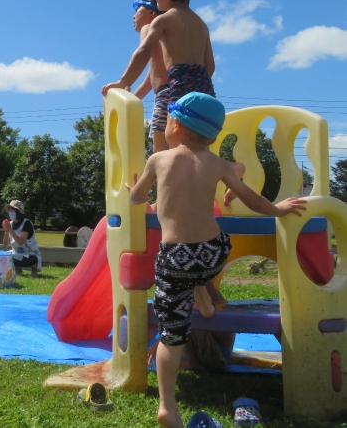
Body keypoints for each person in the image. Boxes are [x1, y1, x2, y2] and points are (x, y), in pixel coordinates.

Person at [125, 92, 307, 428]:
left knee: (172, 334)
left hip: (175, 258)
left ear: (176, 126)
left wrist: (131, 188)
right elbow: (250, 198)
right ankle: (204, 301)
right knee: (203, 262)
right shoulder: (219, 165)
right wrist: (276, 209)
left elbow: (137, 199)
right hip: (211, 254)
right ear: (211, 136)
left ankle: (167, 405)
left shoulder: (159, 160)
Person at [102, 0, 216, 133]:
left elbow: (144, 52)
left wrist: (123, 81)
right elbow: (210, 66)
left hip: (176, 87)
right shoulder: (202, 25)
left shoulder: (163, 20)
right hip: (204, 89)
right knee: (198, 138)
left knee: (165, 139)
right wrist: (196, 83)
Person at [126, 0, 169, 154]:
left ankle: (163, 179)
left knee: (160, 147)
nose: (133, 15)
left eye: (137, 8)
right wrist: (129, 101)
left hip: (166, 94)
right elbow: (147, 84)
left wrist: (125, 82)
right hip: (189, 90)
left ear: (152, 12)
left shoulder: (148, 28)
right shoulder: (168, 39)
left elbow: (143, 55)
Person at [2, 200, 42, 276]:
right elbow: (5, 245)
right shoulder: (10, 224)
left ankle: (33, 267)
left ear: (18, 211)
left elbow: (20, 242)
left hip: (30, 253)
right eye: (9, 210)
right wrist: (6, 231)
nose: (10, 212)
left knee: (30, 259)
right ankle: (17, 268)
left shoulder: (26, 223)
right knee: (4, 256)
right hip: (16, 253)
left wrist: (10, 229)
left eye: (12, 210)